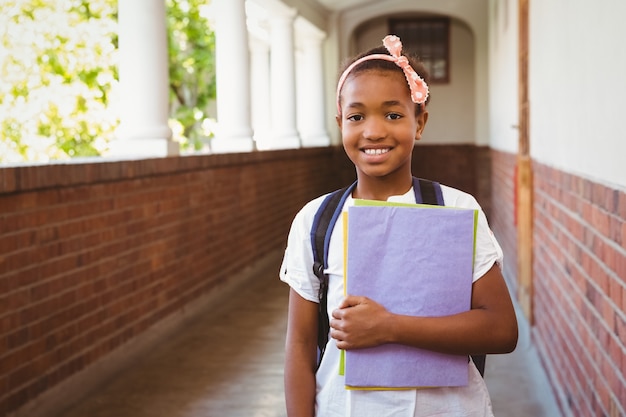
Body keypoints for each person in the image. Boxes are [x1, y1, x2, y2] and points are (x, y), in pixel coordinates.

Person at [280, 34, 518, 417]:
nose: (374, 131)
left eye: (393, 114)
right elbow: (300, 345)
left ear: (419, 122)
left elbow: (501, 329)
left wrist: (389, 326)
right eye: (357, 116)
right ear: (341, 123)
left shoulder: (456, 210)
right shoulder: (316, 220)